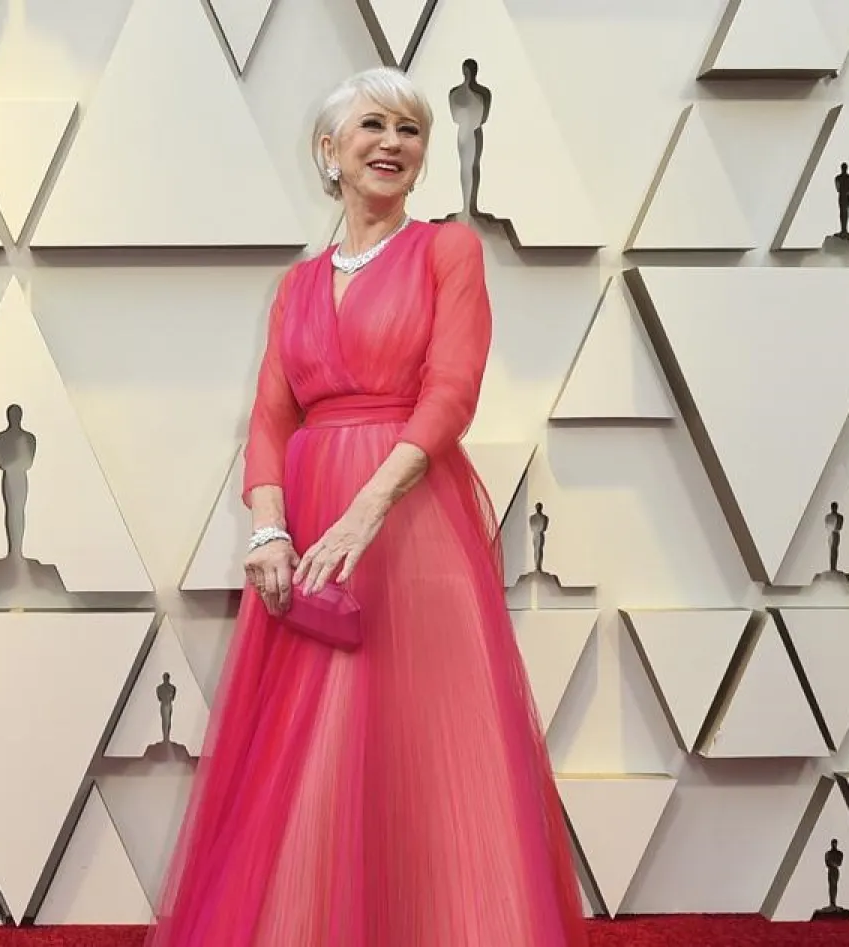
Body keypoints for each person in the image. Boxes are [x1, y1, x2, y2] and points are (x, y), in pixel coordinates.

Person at [145, 66, 587, 947]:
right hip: (307, 523)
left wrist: (368, 508)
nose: (393, 142)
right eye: (374, 125)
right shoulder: (297, 285)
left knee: (421, 736)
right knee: (309, 746)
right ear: (330, 151)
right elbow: (270, 418)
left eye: (411, 130)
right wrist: (271, 527)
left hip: (416, 519)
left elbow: (452, 391)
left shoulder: (447, 251)